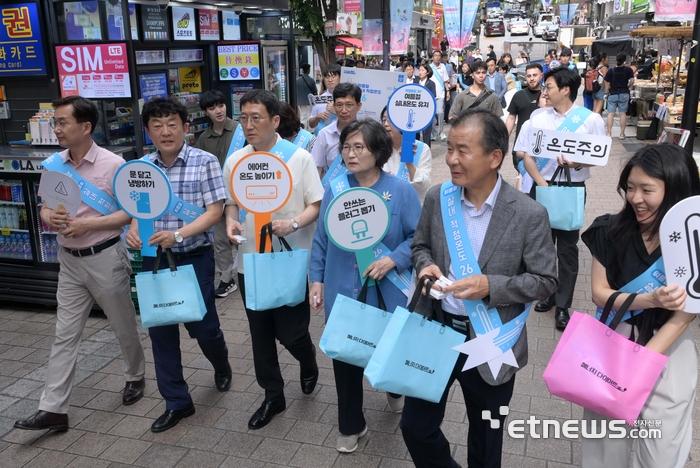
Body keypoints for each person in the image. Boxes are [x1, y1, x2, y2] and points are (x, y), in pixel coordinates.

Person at [401, 108, 558, 468]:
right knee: (416, 427)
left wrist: (491, 286)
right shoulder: (438, 198)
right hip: (437, 329)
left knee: (487, 440)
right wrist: (426, 266)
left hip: (492, 341)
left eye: (463, 150)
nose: (451, 160)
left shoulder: (528, 214)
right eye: (449, 149)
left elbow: (546, 281)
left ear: (494, 157)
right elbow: (420, 246)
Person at [14, 96, 146, 433]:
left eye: (62, 122)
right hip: (69, 261)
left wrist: (88, 224)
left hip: (105, 257)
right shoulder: (53, 165)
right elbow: (45, 208)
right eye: (55, 123)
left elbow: (130, 212)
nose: (56, 129)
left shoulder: (113, 164)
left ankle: (135, 375)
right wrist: (51, 217)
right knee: (64, 335)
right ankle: (53, 408)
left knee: (123, 325)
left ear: (85, 127)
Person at [580, 144, 700, 468]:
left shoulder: (695, 240)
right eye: (630, 188)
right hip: (614, 342)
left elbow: (685, 315)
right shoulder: (608, 230)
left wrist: (642, 362)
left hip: (670, 347)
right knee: (605, 445)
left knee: (661, 449)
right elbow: (599, 293)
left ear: (676, 190)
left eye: (647, 190)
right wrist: (650, 299)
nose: (635, 198)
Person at [310, 119, 421, 453]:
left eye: (359, 147)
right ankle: (351, 424)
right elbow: (321, 239)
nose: (351, 154)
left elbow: (418, 238)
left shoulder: (400, 190)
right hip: (343, 288)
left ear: (378, 151)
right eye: (346, 147)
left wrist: (394, 259)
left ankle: (394, 389)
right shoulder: (336, 189)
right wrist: (316, 279)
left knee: (388, 350)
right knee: (345, 355)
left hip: (388, 289)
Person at [127, 97, 232, 433]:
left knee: (203, 327)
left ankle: (221, 362)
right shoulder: (142, 167)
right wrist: (133, 230)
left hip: (194, 256)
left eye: (172, 124)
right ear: (148, 131)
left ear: (185, 127)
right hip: (153, 260)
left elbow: (214, 212)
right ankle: (177, 402)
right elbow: (135, 211)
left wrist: (178, 235)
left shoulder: (204, 162)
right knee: (160, 331)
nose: (165, 131)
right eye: (157, 126)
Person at [223, 90, 323, 430]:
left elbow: (315, 204)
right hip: (249, 262)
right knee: (260, 334)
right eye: (244, 118)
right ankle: (273, 395)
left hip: (288, 260)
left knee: (292, 333)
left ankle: (307, 359)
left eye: (256, 118)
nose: (249, 125)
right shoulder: (236, 161)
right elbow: (231, 203)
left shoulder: (298, 158)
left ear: (275, 120)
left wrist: (292, 223)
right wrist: (230, 221)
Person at [514, 68, 606, 331]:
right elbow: (525, 154)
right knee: (542, 247)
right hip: (542, 187)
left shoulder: (590, 120)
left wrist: (576, 163)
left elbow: (598, 156)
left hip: (572, 188)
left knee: (566, 249)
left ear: (566, 89)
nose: (545, 91)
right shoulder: (538, 118)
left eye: (550, 86)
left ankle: (563, 304)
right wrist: (542, 184)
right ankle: (547, 293)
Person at [194, 90, 241, 299]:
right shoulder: (204, 138)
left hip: (241, 194)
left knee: (241, 236)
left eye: (221, 105)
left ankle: (246, 272)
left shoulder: (241, 130)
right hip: (216, 197)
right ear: (206, 112)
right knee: (220, 239)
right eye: (212, 108)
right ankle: (226, 278)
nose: (218, 111)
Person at [311, 83, 362, 184]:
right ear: (334, 106)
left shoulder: (367, 134)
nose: (344, 110)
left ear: (358, 106)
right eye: (339, 105)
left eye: (349, 105)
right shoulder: (324, 134)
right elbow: (316, 169)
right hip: (333, 191)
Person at [380, 107, 432, 201]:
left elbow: (424, 187)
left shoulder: (422, 149)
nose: (386, 124)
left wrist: (409, 163)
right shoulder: (378, 149)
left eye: (391, 120)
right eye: (384, 120)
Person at [506, 63, 543, 169]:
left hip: (543, 147)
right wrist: (504, 138)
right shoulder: (519, 95)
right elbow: (511, 118)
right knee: (522, 177)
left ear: (541, 75)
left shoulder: (548, 95)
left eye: (535, 75)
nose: (531, 78)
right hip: (521, 147)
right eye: (529, 76)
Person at [605, 53, 634, 139]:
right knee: (622, 114)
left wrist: (607, 91)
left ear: (616, 60)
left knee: (610, 114)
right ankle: (621, 134)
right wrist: (628, 87)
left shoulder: (611, 70)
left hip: (612, 94)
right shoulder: (628, 70)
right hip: (624, 93)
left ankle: (609, 134)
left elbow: (606, 82)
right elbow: (632, 81)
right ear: (624, 61)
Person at [309, 64, 341, 134]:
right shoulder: (319, 99)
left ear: (340, 78)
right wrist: (317, 118)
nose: (330, 80)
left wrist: (336, 112)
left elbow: (354, 121)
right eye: (327, 77)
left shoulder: (346, 97)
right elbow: (311, 124)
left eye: (333, 76)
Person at [429, 50, 450, 141]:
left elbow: (446, 80)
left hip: (441, 94)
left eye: (438, 55)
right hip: (430, 94)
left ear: (441, 57)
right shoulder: (429, 67)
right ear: (432, 57)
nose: (437, 57)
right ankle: (433, 134)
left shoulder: (443, 67)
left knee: (440, 113)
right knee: (431, 116)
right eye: (435, 55)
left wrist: (448, 91)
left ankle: (441, 132)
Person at [417, 62, 437, 148]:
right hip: (416, 110)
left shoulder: (431, 83)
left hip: (427, 111)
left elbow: (433, 96)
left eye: (422, 70)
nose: (420, 72)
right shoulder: (415, 81)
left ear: (427, 72)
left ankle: (427, 150)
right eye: (419, 70)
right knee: (416, 133)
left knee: (426, 134)